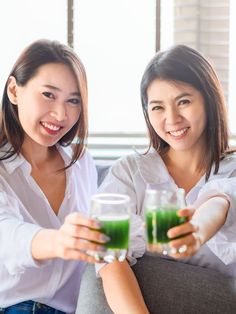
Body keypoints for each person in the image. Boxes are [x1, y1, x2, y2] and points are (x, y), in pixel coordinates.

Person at [95, 45, 236, 313]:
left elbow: (220, 201)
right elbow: (108, 255)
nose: (172, 119)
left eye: (183, 101)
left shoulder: (231, 173)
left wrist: (197, 231)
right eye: (158, 107)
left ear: (208, 99)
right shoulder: (129, 172)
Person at [0, 39, 108, 314]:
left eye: (73, 101)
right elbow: (6, 235)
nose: (61, 114)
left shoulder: (81, 162)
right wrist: (60, 241)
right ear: (14, 90)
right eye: (48, 95)